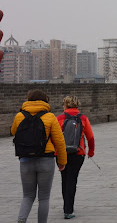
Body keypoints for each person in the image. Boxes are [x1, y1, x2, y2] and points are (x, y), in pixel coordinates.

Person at [11, 89, 67, 223]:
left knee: (28, 195)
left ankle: (21, 219)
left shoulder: (19, 116)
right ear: (45, 101)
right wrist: (62, 161)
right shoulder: (50, 117)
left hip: (25, 160)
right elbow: (59, 141)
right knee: (44, 197)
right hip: (46, 160)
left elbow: (13, 131)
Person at [57, 95, 95, 219]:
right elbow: (90, 137)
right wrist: (91, 152)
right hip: (78, 153)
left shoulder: (60, 118)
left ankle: (66, 205)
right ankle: (68, 209)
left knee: (64, 178)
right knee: (72, 180)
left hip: (61, 154)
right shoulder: (83, 118)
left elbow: (53, 137)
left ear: (65, 105)